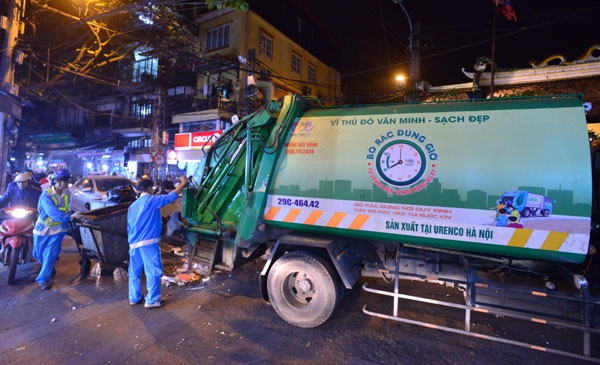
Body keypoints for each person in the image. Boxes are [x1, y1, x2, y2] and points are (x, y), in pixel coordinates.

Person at [127, 175, 189, 309]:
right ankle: (152, 300)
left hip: (133, 243)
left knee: (134, 272)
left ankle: (134, 297)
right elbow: (171, 197)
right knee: (153, 271)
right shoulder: (151, 200)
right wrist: (183, 184)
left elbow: (129, 226)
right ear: (149, 188)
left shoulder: (132, 206)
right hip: (148, 242)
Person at [32, 168, 73, 290]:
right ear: (56, 181)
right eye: (64, 180)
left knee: (50, 254)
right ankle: (48, 267)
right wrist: (69, 217)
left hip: (58, 230)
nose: (66, 183)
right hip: (42, 229)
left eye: (67, 180)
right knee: (39, 254)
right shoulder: (46, 195)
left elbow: (72, 208)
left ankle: (43, 280)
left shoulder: (68, 194)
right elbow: (53, 212)